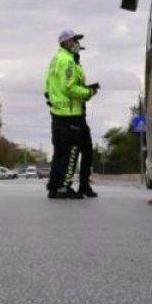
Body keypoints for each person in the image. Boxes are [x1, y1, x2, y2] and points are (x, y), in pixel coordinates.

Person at [44, 29, 99, 199]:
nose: (77, 44)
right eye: (74, 40)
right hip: (69, 113)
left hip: (63, 112)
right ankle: (63, 186)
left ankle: (58, 186)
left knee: (65, 150)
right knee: (71, 150)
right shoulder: (67, 61)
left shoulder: (58, 60)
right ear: (65, 42)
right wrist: (88, 93)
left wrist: (52, 99)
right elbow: (69, 87)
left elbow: (48, 85)